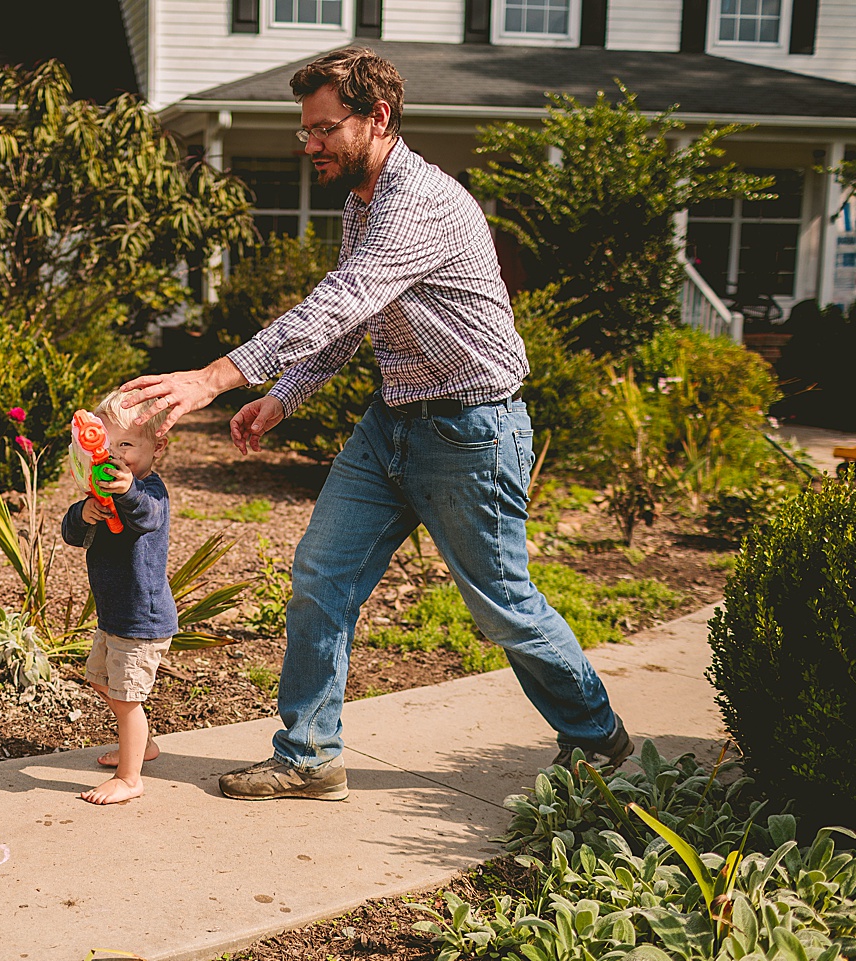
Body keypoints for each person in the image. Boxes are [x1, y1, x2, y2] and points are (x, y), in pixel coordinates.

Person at [121, 46, 632, 802]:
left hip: (471, 432)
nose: (311, 146)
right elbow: (351, 324)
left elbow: (338, 299)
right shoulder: (362, 205)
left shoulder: (418, 200)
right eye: (306, 132)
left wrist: (215, 376)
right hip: (390, 425)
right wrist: (285, 395)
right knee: (320, 579)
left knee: (504, 608)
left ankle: (599, 740)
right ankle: (308, 755)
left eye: (323, 130)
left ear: (378, 118)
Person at [61, 390, 179, 804]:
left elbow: (147, 517)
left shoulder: (150, 491)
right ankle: (142, 746)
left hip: (141, 618)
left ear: (157, 447)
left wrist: (126, 491)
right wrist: (83, 513)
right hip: (114, 614)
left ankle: (131, 778)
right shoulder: (101, 489)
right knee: (102, 682)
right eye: (107, 444)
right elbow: (74, 536)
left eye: (126, 445)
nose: (114, 454)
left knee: (127, 700)